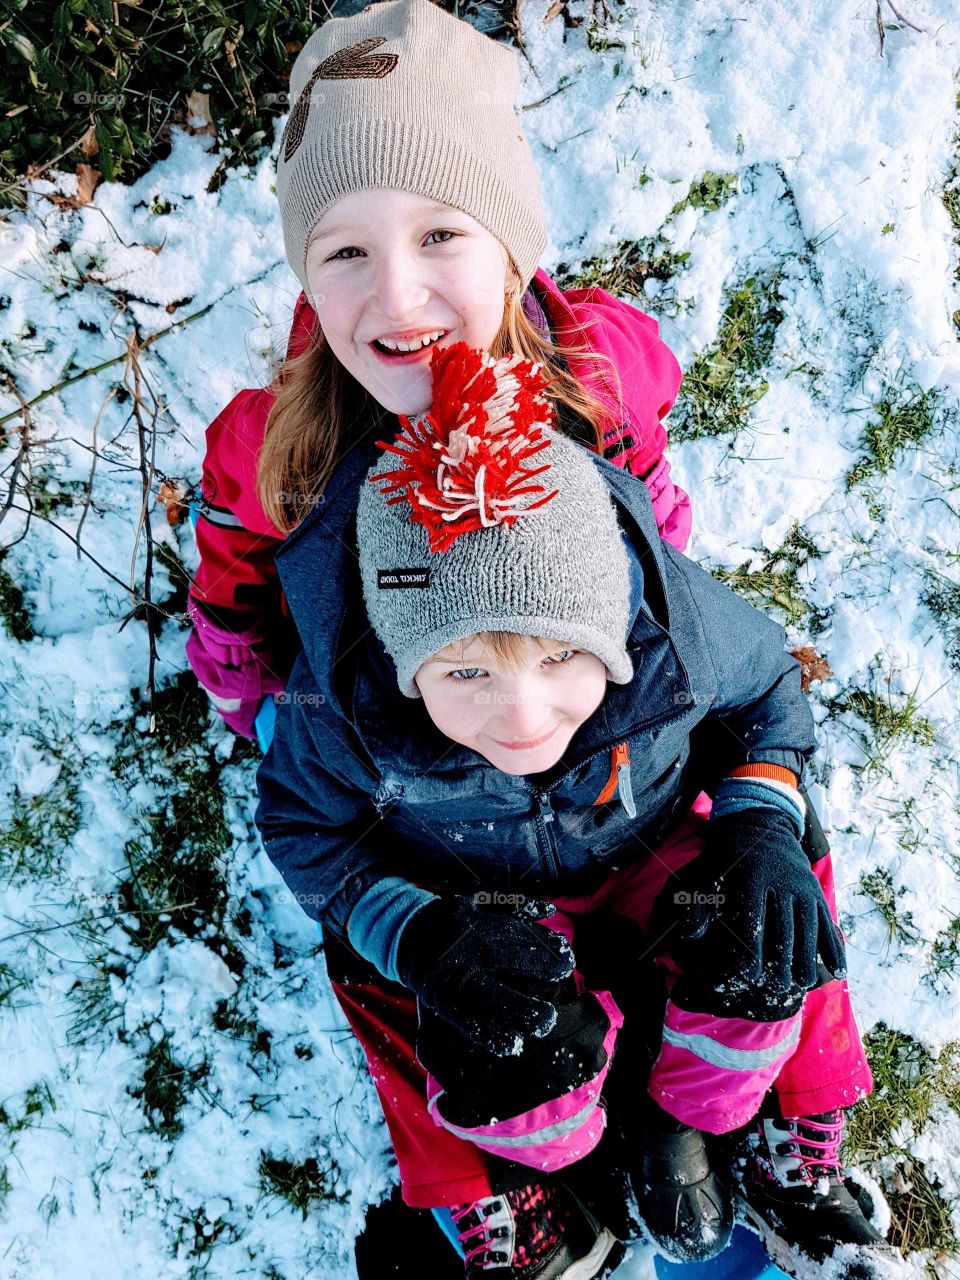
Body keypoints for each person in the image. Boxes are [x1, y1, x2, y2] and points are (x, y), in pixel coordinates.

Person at [252, 341, 899, 1280]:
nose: (524, 718)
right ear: (403, 665)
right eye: (465, 673)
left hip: (654, 861)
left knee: (776, 910)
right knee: (391, 977)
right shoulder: (348, 709)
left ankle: (727, 1124)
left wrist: (760, 821)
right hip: (480, 902)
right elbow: (303, 827)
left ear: (614, 625)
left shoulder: (671, 623)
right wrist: (421, 935)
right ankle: (532, 1164)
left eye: (563, 659)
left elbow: (767, 691)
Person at [184, 0, 691, 748]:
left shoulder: (600, 377)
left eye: (440, 234)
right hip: (374, 705)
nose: (396, 297)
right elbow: (232, 591)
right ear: (309, 282)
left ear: (511, 257)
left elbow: (650, 517)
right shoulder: (274, 443)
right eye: (345, 253)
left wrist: (656, 611)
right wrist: (257, 707)